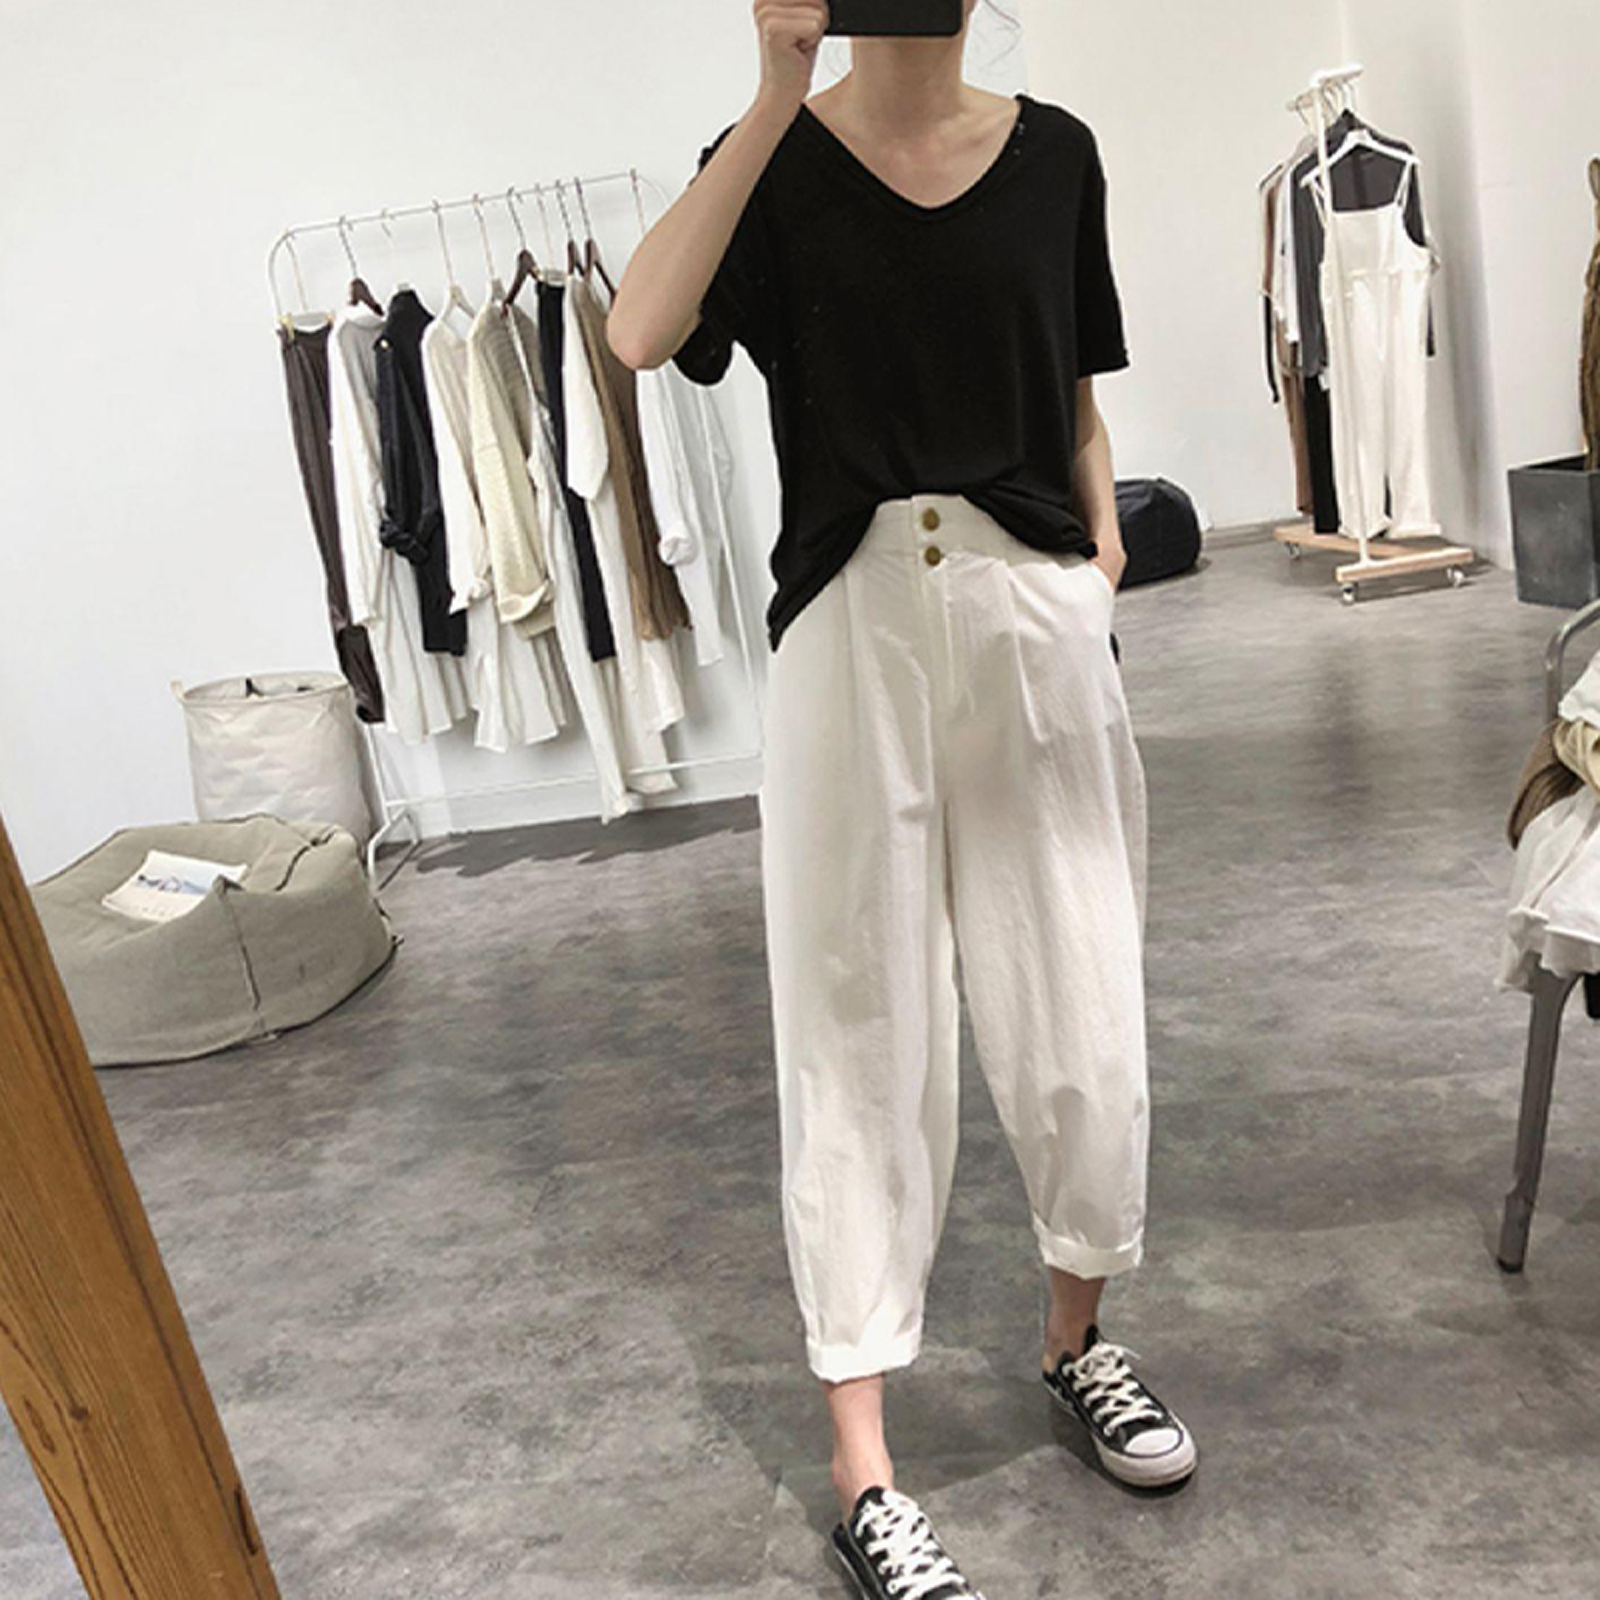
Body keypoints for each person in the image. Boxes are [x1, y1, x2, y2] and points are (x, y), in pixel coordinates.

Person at [608, 3, 1195, 1593]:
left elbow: (1075, 389)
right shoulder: (772, 161)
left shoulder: (1056, 156)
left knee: (1080, 997)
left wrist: (1096, 560)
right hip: (850, 628)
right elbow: (640, 331)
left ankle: (1077, 1345)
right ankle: (866, 1468)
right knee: (855, 1028)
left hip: (1032, 616)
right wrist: (772, 90)